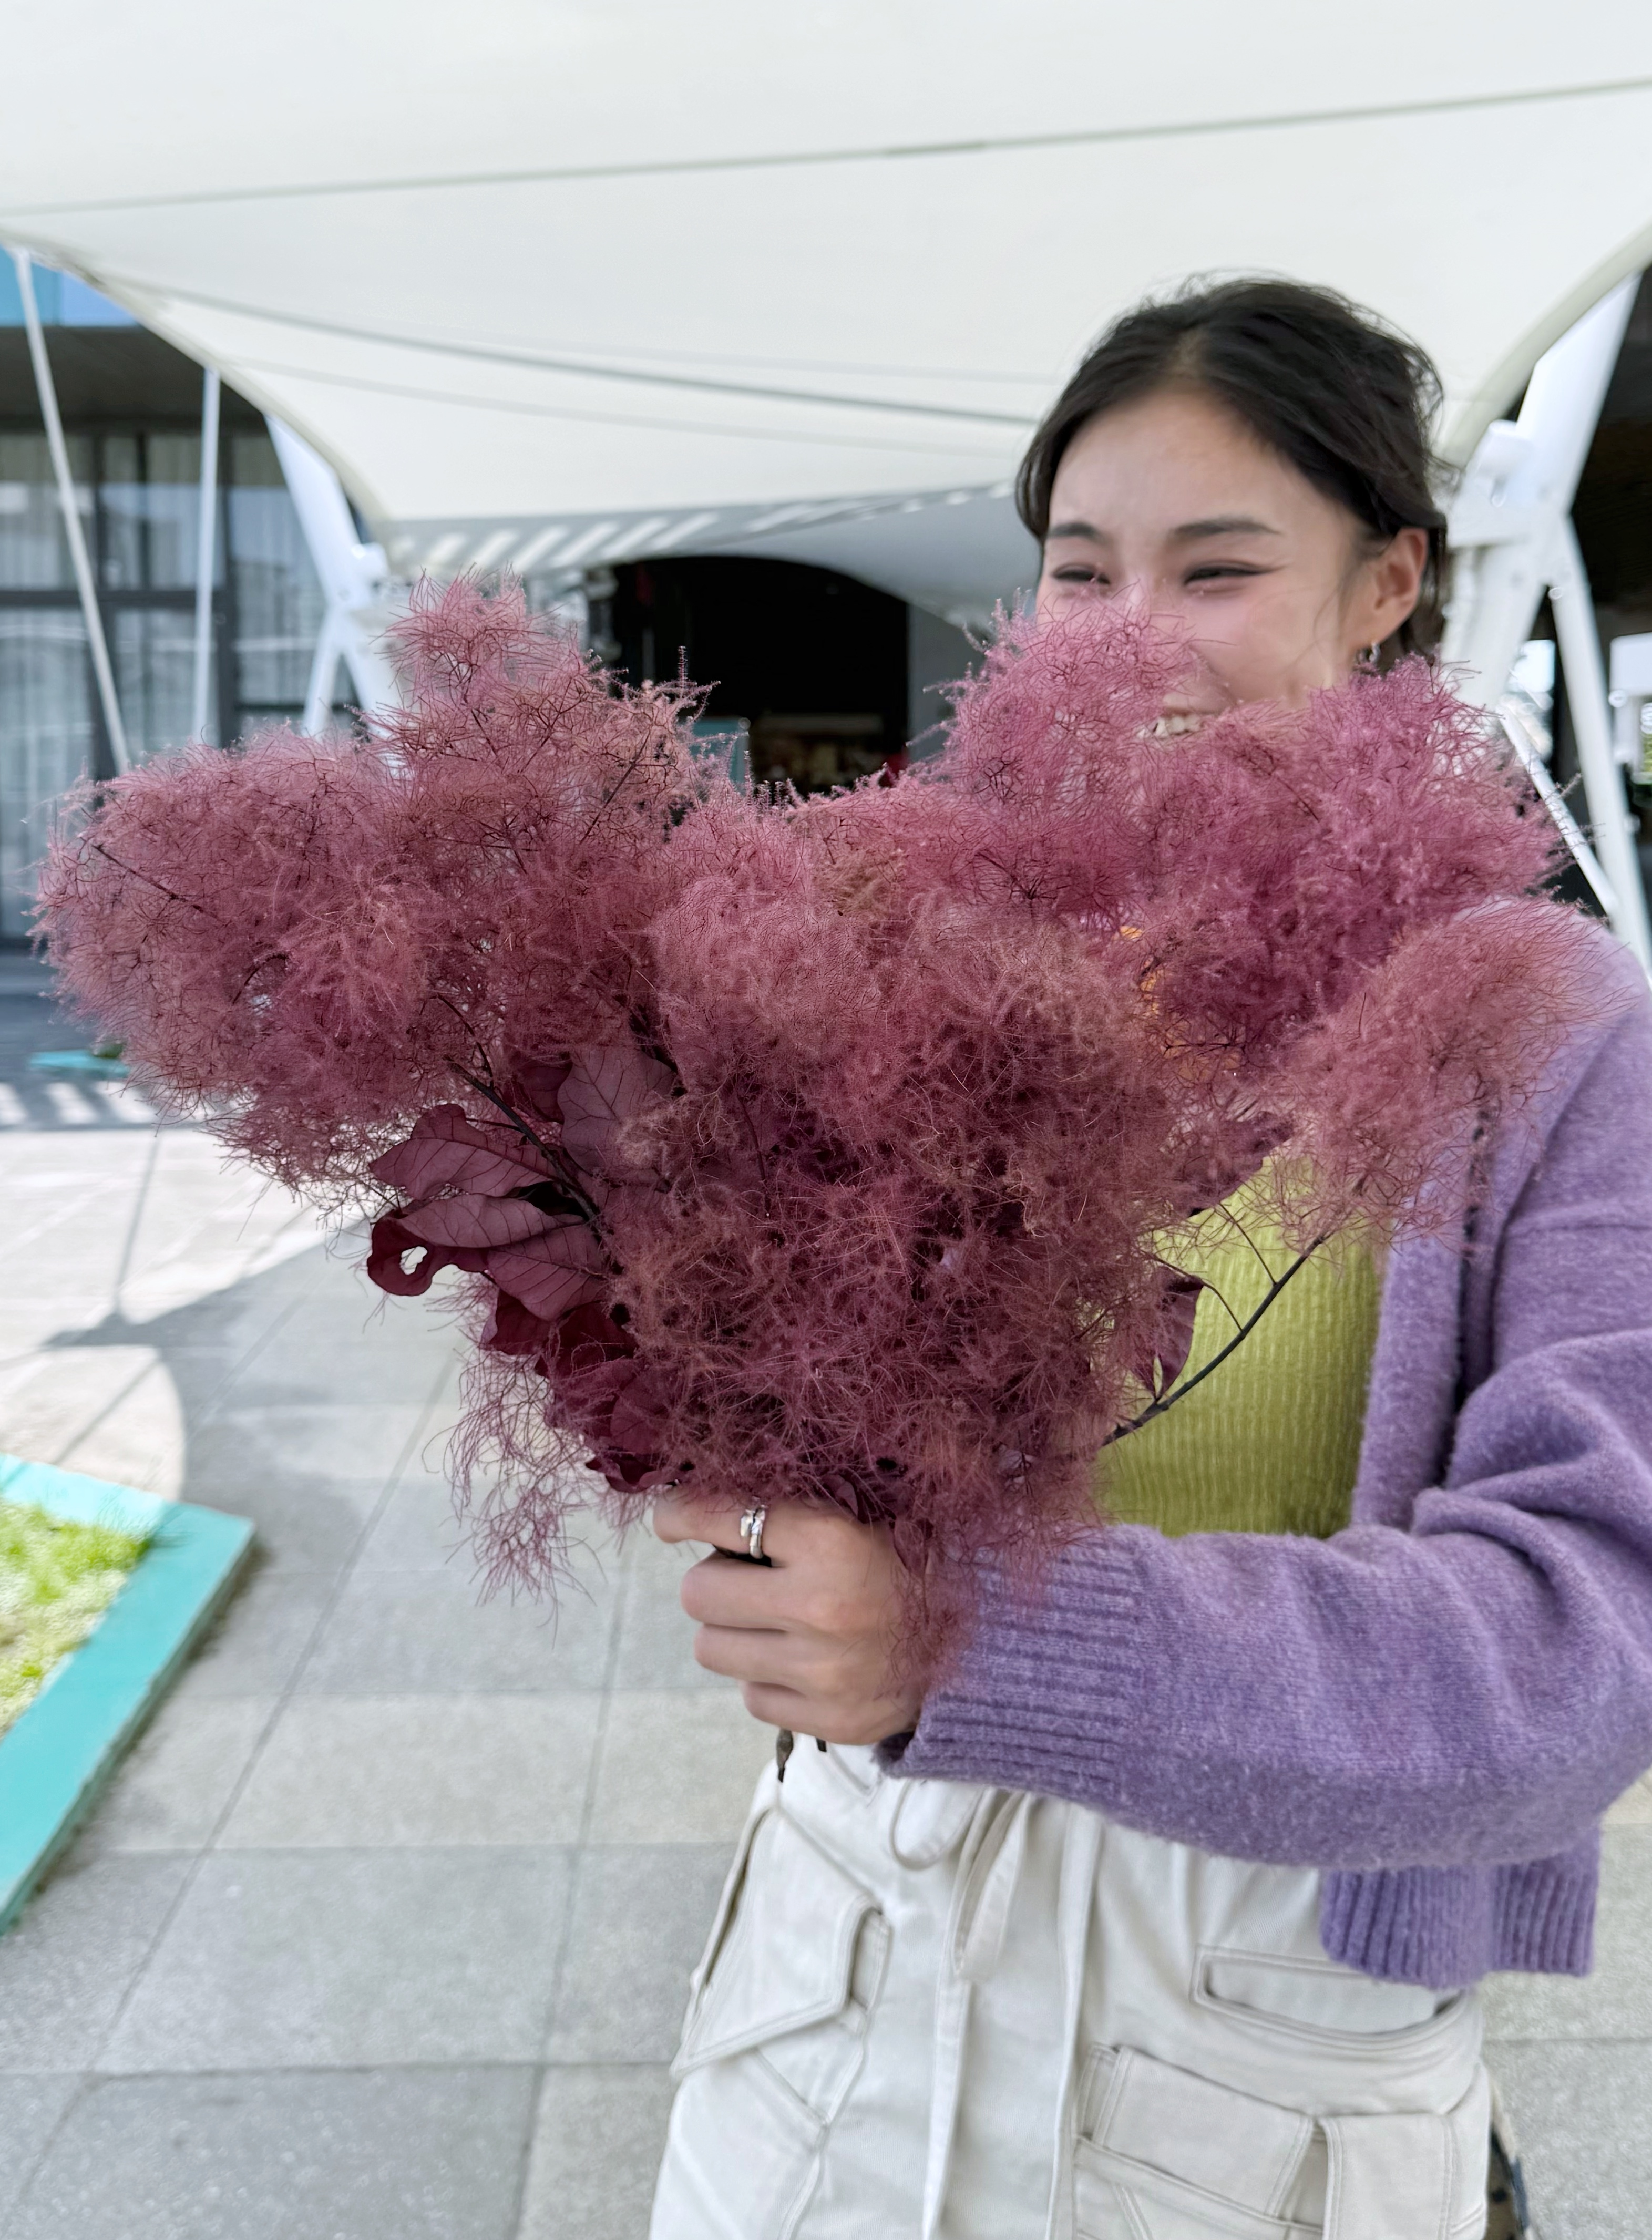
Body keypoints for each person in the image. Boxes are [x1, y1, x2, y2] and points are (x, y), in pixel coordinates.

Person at [646, 279, 1652, 2240]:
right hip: (839, 1966)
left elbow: (1582, 1648)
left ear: (1386, 586)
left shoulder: (1541, 1015)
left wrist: (976, 1642)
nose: (1125, 648)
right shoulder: (935, 948)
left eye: (1215, 571)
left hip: (1249, 2040)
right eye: (1080, 574)